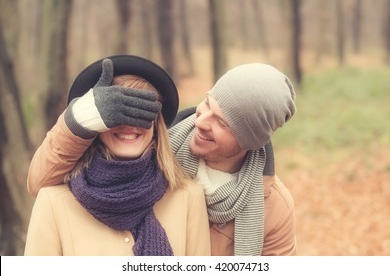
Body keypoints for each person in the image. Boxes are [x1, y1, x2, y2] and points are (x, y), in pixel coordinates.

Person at [27, 58, 297, 256]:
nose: (201, 121)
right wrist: (79, 121)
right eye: (206, 104)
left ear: (248, 140)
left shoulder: (271, 208)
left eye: (223, 123)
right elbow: (40, 182)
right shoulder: (158, 151)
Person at [24, 55, 211, 256]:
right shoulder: (54, 203)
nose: (129, 125)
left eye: (139, 113)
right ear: (95, 125)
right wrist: (78, 120)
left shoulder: (188, 198)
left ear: (156, 124)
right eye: (115, 115)